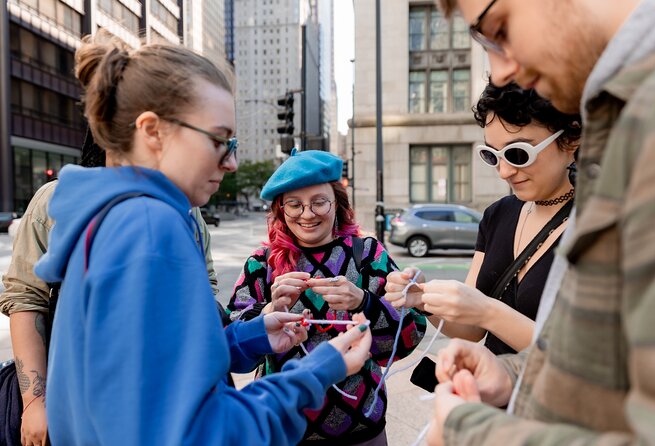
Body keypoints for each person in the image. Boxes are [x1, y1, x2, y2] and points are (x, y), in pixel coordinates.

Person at [31, 31, 372, 445]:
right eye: (217, 140)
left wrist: (249, 336)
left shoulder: (105, 220)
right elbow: (202, 433)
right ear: (152, 131)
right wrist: (314, 373)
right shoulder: (154, 227)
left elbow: (144, 375)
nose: (230, 162)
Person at [424, 0, 655, 444]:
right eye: (492, 155)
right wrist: (511, 372)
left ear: (570, 138)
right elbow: (597, 364)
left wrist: (468, 430)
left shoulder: (650, 122)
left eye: (499, 30)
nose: (500, 71)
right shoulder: (620, 133)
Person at [0, 132, 219, 446]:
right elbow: (26, 299)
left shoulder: (187, 207)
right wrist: (35, 402)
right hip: (70, 401)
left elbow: (204, 292)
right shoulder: (55, 200)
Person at [227, 149, 427, 445]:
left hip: (361, 430)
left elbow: (410, 334)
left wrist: (365, 302)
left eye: (319, 202)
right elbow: (230, 342)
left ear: (337, 203)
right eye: (294, 205)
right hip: (282, 429)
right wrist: (268, 309)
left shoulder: (367, 254)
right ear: (281, 209)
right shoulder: (262, 262)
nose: (307, 214)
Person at [385, 82, 581, 355]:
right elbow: (471, 329)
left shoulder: (599, 225)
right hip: (491, 394)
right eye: (492, 155)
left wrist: (488, 312)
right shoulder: (497, 214)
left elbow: (582, 360)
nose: (504, 171)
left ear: (570, 139)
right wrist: (423, 300)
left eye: (518, 153)